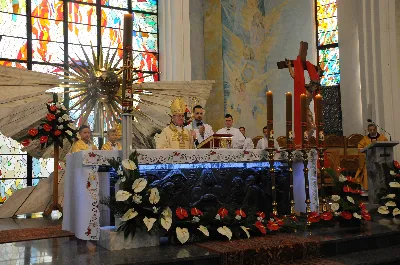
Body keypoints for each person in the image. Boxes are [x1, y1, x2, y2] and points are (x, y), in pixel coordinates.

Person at [355, 124, 388, 193]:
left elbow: (387, 146)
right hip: (369, 160)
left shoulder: (382, 138)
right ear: (368, 130)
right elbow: (360, 148)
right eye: (370, 130)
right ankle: (367, 190)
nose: (372, 131)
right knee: (365, 170)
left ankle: (382, 190)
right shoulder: (365, 139)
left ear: (376, 129)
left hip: (380, 160)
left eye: (374, 129)